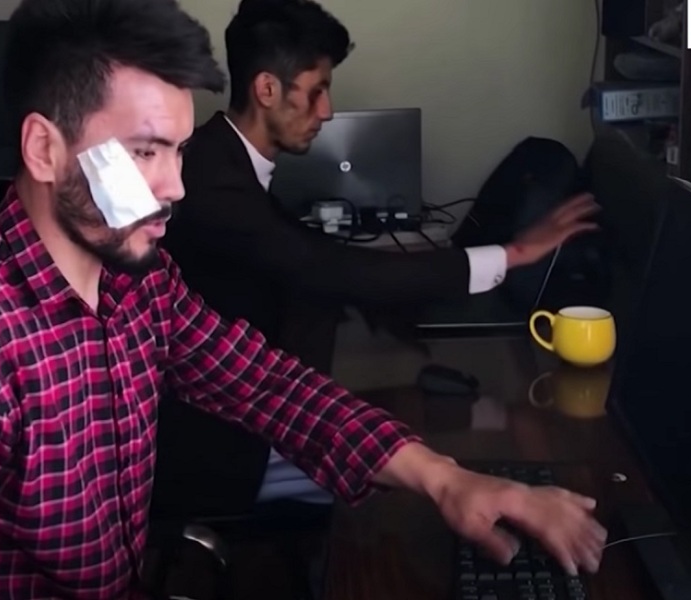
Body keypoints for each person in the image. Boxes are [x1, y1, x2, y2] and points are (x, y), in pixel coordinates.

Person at [0, 0, 607, 597]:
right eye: (145, 151)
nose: (176, 186)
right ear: (45, 148)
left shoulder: (136, 281)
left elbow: (265, 383)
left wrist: (448, 479)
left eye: (177, 151)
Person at [156, 0, 601, 519]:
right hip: (220, 442)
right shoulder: (211, 178)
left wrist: (393, 304)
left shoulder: (227, 160)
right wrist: (514, 254)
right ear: (267, 89)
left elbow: (311, 263)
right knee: (417, 481)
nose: (326, 111)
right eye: (317, 90)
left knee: (416, 431)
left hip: (253, 399)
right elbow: (328, 269)